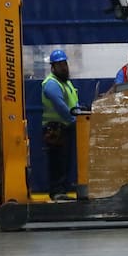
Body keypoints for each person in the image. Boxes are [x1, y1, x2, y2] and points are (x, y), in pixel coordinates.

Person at [42, 49, 80, 201]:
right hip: (55, 129)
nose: (64, 67)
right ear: (53, 67)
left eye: (65, 64)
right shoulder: (51, 84)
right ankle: (57, 191)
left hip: (65, 127)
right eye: (60, 65)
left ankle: (63, 189)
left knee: (65, 161)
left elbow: (73, 102)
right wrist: (73, 119)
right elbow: (61, 106)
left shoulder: (65, 82)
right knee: (57, 161)